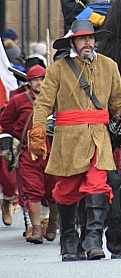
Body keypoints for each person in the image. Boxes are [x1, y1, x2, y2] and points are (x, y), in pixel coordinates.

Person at [27, 20, 121, 261]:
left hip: (99, 136)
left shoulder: (109, 66)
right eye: (82, 39)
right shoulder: (57, 69)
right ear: (73, 42)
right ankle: (69, 239)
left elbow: (118, 102)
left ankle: (93, 238)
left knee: (98, 183)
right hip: (68, 139)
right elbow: (43, 103)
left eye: (90, 38)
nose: (87, 42)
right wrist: (37, 131)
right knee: (67, 190)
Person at [0, 65, 57, 243]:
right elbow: (5, 121)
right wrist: (20, 135)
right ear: (29, 83)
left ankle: (52, 224)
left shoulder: (57, 98)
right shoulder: (19, 100)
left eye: (42, 79)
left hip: (53, 151)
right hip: (29, 152)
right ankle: (37, 228)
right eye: (35, 80)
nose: (39, 83)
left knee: (54, 191)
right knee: (32, 191)